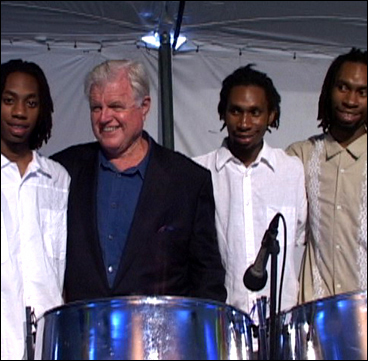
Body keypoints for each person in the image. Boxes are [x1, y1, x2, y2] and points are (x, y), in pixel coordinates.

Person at [51, 59, 226, 303]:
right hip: (82, 335)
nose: (104, 117)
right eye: (95, 108)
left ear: (144, 106)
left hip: (162, 337)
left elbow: (208, 279)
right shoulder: (62, 171)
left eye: (115, 106)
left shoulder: (188, 181)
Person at [194, 64, 307, 315]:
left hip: (282, 324)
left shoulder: (291, 170)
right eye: (236, 111)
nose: (244, 123)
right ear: (222, 113)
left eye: (255, 112)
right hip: (223, 324)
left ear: (272, 116)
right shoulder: (198, 172)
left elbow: (301, 235)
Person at [1, 59, 70, 360]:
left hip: (47, 341)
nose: (19, 112)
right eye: (8, 100)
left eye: (31, 102)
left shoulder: (58, 178)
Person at [286, 48, 367, 303]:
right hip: (314, 318)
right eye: (343, 87)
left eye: (362, 92)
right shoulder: (301, 156)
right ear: (328, 90)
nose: (351, 100)